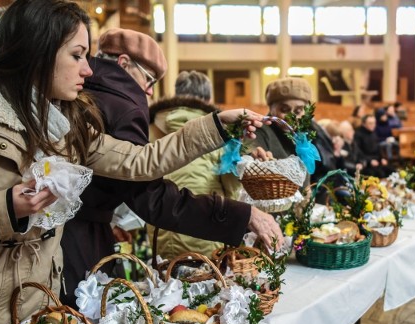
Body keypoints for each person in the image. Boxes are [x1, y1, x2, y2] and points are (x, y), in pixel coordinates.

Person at [0, 0, 272, 324]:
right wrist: (3, 207)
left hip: (33, 314)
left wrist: (217, 126)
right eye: (77, 55)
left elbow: (140, 162)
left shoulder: (66, 122)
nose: (88, 69)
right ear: (39, 52)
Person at [60, 29, 281, 307]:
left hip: (76, 234)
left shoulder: (86, 96)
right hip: (79, 242)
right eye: (149, 79)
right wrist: (243, 214)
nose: (150, 90)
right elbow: (149, 188)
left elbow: (113, 173)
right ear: (124, 64)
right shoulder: (123, 105)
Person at [146, 70, 243, 259]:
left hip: (161, 229)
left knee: (168, 282)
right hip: (207, 227)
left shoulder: (150, 127)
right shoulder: (218, 131)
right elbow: (231, 188)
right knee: (208, 282)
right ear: (207, 98)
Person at [253, 78, 344, 186]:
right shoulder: (259, 131)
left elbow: (326, 168)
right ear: (271, 108)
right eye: (284, 110)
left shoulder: (309, 131)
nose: (292, 117)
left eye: (298, 111)